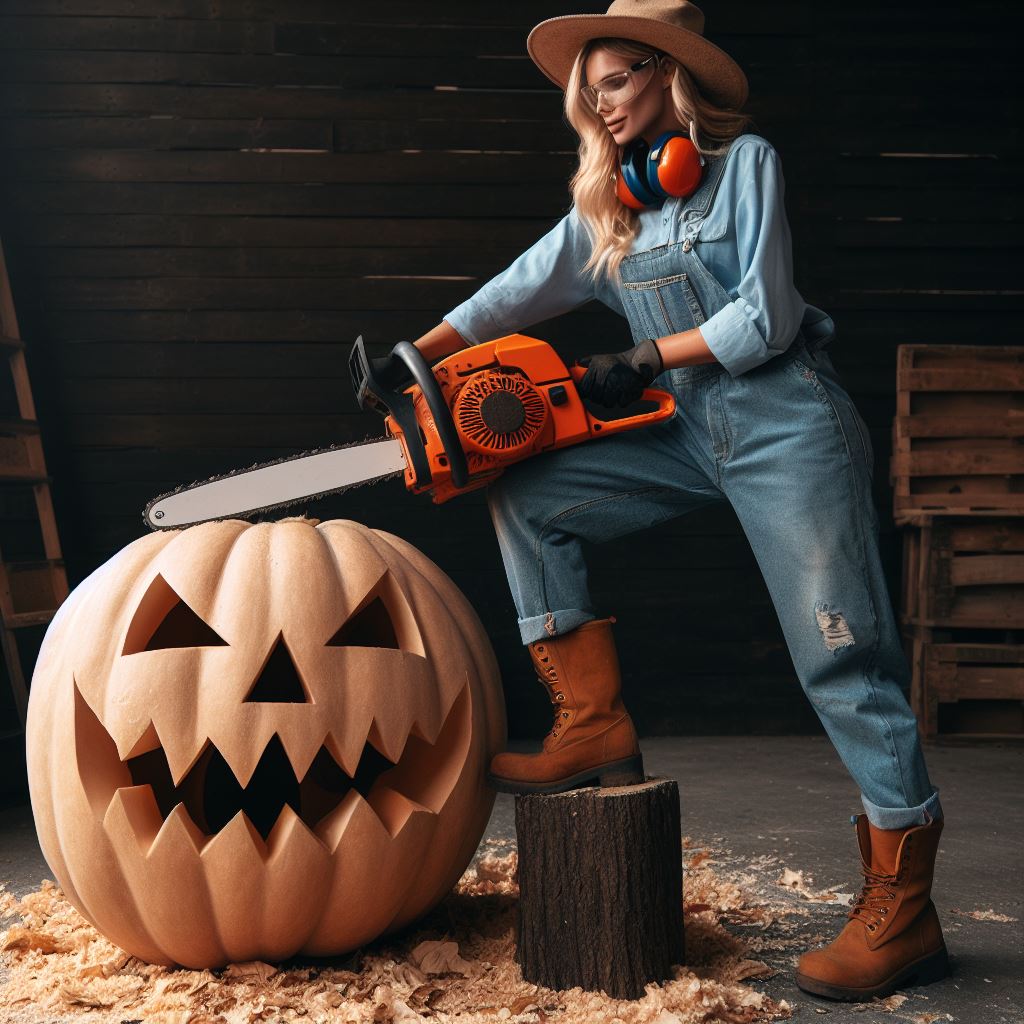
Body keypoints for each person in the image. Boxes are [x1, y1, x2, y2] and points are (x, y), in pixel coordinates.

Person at [399, 0, 949, 1003]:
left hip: (786, 425)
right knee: (529, 489)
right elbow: (521, 287)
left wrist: (649, 354)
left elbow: (766, 315)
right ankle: (591, 718)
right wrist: (419, 352)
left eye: (614, 81)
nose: (598, 106)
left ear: (669, 75)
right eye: (588, 89)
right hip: (688, 431)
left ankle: (903, 907)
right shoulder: (612, 203)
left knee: (840, 652)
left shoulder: (746, 167)